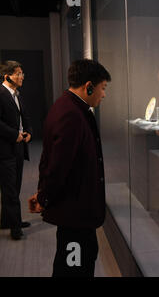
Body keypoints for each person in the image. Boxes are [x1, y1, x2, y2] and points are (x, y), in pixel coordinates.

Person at [34, 59, 110, 277]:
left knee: (76, 264)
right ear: (88, 86)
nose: (103, 94)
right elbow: (57, 166)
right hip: (75, 213)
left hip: (76, 213)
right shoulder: (71, 114)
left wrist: (42, 193)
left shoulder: (66, 106)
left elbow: (49, 159)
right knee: (73, 269)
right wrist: (44, 197)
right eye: (102, 88)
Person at [0, 60, 32, 240]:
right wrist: (15, 135)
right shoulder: (1, 93)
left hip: (18, 148)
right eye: (18, 74)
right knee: (10, 190)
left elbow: (24, 117)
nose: (22, 77)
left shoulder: (17, 94)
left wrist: (29, 133)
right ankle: (15, 227)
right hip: (5, 150)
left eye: (22, 73)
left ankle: (7, 220)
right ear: (7, 76)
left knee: (14, 187)